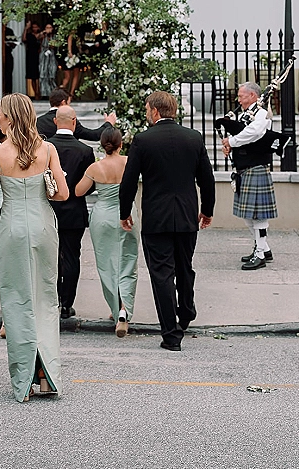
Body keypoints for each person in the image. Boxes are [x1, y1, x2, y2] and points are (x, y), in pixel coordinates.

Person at [0, 93, 68, 402]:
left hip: (12, 227)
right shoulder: (47, 149)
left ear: (9, 118)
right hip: (43, 225)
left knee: (17, 299)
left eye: (0, 115)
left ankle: (24, 380)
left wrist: (0, 223)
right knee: (45, 297)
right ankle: (47, 375)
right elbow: (62, 194)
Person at [119, 91, 215, 351]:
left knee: (161, 274)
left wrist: (124, 211)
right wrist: (207, 210)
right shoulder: (193, 138)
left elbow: (129, 180)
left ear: (156, 111)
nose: (147, 113)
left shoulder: (143, 140)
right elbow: (206, 178)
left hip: (156, 217)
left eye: (147, 108)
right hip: (186, 215)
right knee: (185, 266)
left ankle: (171, 335)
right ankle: (185, 311)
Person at [75, 126, 139, 337]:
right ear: (121, 144)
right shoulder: (129, 161)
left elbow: (78, 191)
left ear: (102, 145)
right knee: (128, 260)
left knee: (106, 264)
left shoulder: (95, 168)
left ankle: (115, 308)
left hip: (103, 216)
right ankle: (124, 310)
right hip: (127, 213)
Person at [222, 82, 278, 270]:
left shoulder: (262, 113)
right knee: (248, 215)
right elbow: (243, 132)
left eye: (241, 96)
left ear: (253, 96)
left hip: (256, 167)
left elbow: (253, 133)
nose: (238, 99)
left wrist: (232, 140)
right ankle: (264, 248)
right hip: (244, 168)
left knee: (258, 215)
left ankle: (260, 254)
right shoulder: (246, 114)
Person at [45, 105, 95, 319]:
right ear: (74, 122)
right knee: (72, 257)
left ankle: (54, 299)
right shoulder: (85, 151)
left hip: (50, 210)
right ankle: (67, 304)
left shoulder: (46, 147)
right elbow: (90, 186)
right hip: (74, 211)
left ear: (56, 122)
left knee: (51, 257)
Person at [36, 87, 116, 141]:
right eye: (69, 103)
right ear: (64, 102)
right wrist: (108, 123)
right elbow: (93, 135)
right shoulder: (69, 120)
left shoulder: (39, 121)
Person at [38, 22, 58, 97]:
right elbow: (37, 37)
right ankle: (44, 93)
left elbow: (55, 45)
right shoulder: (43, 35)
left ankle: (53, 93)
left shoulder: (54, 36)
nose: (48, 29)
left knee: (52, 74)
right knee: (43, 74)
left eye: (50, 28)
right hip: (43, 56)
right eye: (47, 28)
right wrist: (43, 33)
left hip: (52, 56)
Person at [22, 20, 41, 98]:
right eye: (33, 27)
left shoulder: (42, 35)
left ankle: (40, 92)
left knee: (40, 75)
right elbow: (24, 39)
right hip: (31, 56)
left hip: (40, 56)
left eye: (36, 27)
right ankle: (35, 92)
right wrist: (26, 28)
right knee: (33, 76)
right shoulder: (29, 35)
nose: (34, 28)